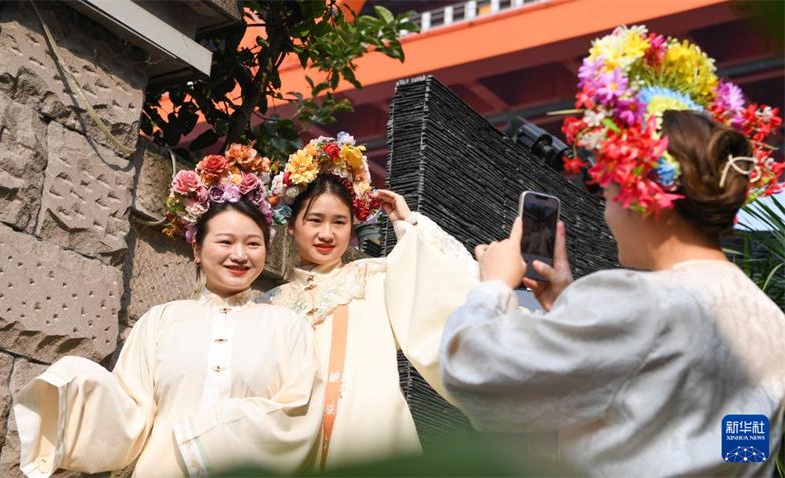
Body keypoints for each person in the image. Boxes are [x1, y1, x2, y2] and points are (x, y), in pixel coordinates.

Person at [439, 26, 785, 477]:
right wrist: (566, 303)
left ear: (647, 203)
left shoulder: (638, 302)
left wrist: (491, 288)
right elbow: (731, 443)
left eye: (610, 195)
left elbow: (476, 373)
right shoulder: (769, 321)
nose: (607, 213)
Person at [14, 146, 324, 477]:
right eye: (225, 242)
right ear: (197, 248)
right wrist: (75, 389)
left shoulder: (289, 327)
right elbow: (131, 418)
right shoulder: (160, 322)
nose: (239, 254)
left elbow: (299, 414)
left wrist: (205, 432)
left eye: (253, 243)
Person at [264, 133, 479, 469]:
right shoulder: (268, 305)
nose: (326, 234)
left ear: (352, 227)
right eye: (315, 220)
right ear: (291, 225)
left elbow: (444, 283)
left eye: (339, 222)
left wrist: (408, 225)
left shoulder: (376, 279)